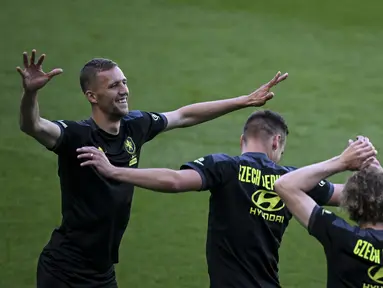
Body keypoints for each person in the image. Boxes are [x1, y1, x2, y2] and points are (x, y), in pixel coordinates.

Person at [17, 49, 288, 288]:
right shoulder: (77, 136)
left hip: (101, 270)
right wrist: (31, 93)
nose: (123, 90)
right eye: (113, 86)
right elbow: (34, 126)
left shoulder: (136, 125)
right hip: (65, 267)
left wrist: (243, 101)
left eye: (124, 82)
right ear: (92, 96)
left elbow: (183, 115)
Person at [77, 110, 345, 288]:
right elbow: (346, 195)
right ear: (276, 142)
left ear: (242, 139)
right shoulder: (291, 180)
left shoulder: (224, 167)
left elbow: (174, 180)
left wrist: (114, 171)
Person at [274, 138, 382, 288]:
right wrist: (377, 177)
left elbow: (284, 185)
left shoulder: (341, 235)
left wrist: (342, 162)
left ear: (351, 203)